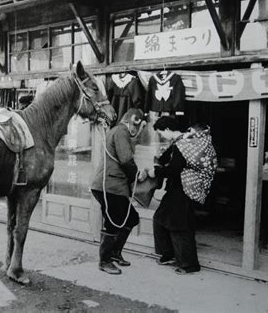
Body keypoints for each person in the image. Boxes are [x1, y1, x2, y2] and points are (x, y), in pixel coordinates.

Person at [150, 117, 217, 275]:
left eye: (161, 133)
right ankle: (169, 254)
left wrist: (156, 171)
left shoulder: (183, 144)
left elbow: (174, 169)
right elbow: (165, 158)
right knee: (160, 219)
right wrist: (158, 162)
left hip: (185, 189)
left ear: (167, 130)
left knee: (180, 226)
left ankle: (189, 264)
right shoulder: (181, 141)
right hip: (178, 188)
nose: (161, 137)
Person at [91, 108, 146, 274]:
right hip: (110, 186)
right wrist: (136, 175)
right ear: (134, 120)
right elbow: (126, 159)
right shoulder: (121, 131)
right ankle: (105, 261)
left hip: (112, 186)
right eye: (139, 126)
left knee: (131, 218)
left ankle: (114, 253)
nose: (138, 131)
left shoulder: (117, 131)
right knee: (113, 223)